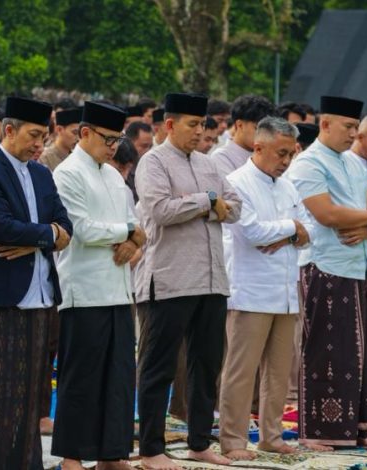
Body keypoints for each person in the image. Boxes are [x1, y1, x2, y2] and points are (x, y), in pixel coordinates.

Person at [133, 93, 240, 468]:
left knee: (206, 366)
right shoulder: (153, 162)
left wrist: (200, 204)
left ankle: (199, 443)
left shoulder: (209, 163)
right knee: (158, 368)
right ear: (169, 125)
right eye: (192, 124)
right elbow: (161, 211)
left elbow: (235, 207)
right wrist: (207, 202)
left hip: (211, 281)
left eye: (203, 125)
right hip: (169, 279)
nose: (200, 131)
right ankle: (151, 449)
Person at [0, 96, 73, 469]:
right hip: (3, 296)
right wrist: (48, 235)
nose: (39, 144)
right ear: (9, 130)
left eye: (43, 136)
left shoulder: (42, 174)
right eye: (33, 135)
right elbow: (0, 227)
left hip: (41, 296)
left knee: (31, 396)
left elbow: (66, 225)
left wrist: (38, 238)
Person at [284, 95, 367, 450]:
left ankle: (354, 428)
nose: (354, 134)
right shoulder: (308, 163)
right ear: (325, 124)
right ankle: (317, 431)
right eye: (349, 127)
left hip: (357, 267)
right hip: (324, 266)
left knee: (359, 351)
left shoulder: (355, 164)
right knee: (327, 353)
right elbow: (326, 214)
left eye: (356, 127)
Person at [51, 101, 145, 470]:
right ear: (85, 133)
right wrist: (127, 233)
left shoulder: (114, 177)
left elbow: (136, 228)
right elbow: (82, 229)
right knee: (81, 377)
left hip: (119, 288)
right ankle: (72, 456)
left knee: (119, 378)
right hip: (84, 290)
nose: (113, 147)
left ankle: (111, 454)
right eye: (108, 139)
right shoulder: (68, 173)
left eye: (117, 140)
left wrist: (132, 241)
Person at [217, 117, 306, 461]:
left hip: (285, 290)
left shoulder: (288, 186)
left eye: (291, 154)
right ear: (258, 147)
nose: (286, 161)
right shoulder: (237, 183)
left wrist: (288, 232)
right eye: (281, 154)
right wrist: (291, 229)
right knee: (241, 371)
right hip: (251, 290)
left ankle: (271, 435)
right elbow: (251, 232)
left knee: (279, 371)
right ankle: (233, 440)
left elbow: (310, 230)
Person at [210, 94, 274, 177]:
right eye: (257, 129)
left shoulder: (267, 154)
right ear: (240, 125)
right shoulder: (222, 157)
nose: (263, 135)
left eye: (267, 131)